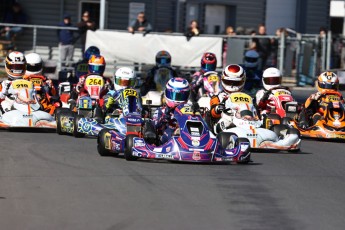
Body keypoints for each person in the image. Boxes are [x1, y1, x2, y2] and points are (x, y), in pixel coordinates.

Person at [209, 64, 247, 134]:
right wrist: (217, 109)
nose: (232, 86)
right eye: (229, 82)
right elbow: (212, 113)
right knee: (226, 123)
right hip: (226, 121)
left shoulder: (247, 97)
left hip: (245, 121)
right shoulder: (218, 97)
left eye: (236, 83)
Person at [151, 77, 190, 144]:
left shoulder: (189, 109)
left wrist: (196, 112)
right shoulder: (162, 110)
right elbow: (154, 125)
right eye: (173, 95)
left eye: (179, 96)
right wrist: (165, 116)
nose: (176, 100)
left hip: (186, 133)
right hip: (166, 136)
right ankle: (176, 136)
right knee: (170, 131)